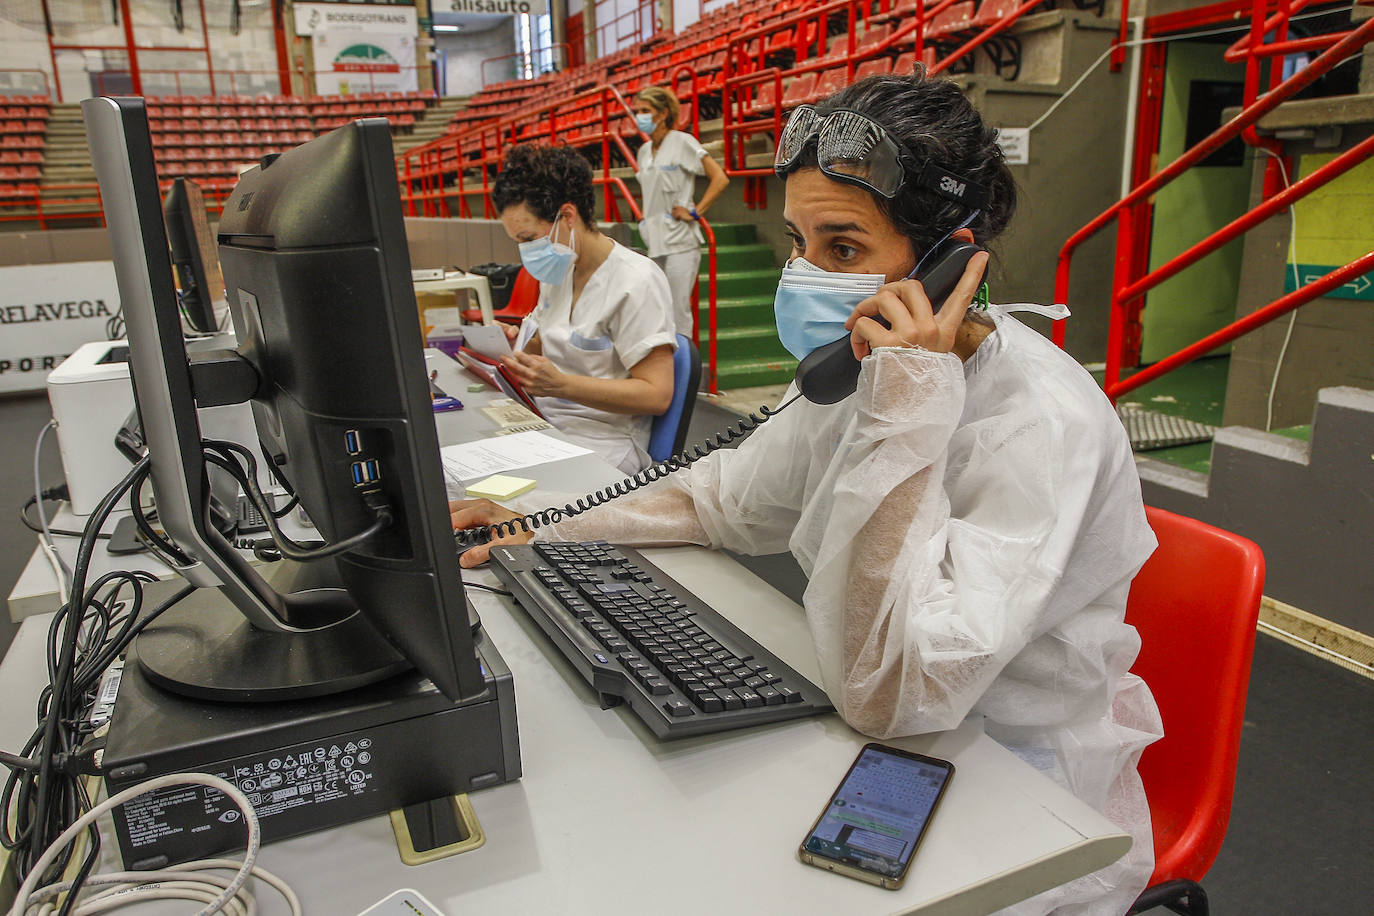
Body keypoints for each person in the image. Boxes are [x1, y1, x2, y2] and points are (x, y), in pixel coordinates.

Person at [458, 74, 1162, 915]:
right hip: (877, 715)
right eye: (798, 240)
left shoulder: (1039, 425)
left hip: (1014, 781)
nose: (805, 274)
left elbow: (890, 695)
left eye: (844, 249)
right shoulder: (871, 365)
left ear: (947, 262)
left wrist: (910, 408)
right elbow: (714, 500)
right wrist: (542, 526)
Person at [491, 143, 677, 475]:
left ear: (566, 216)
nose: (524, 251)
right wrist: (516, 346)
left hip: (604, 442)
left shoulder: (635, 281)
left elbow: (656, 394)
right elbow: (545, 342)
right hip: (545, 423)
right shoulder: (559, 268)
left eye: (528, 238)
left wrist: (561, 385)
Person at [632, 86, 730, 338]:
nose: (639, 116)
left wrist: (696, 212)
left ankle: (683, 368)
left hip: (680, 241)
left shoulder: (682, 142)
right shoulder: (643, 152)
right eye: (637, 111)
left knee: (677, 310)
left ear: (663, 113)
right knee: (654, 308)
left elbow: (719, 178)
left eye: (645, 111)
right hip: (653, 239)